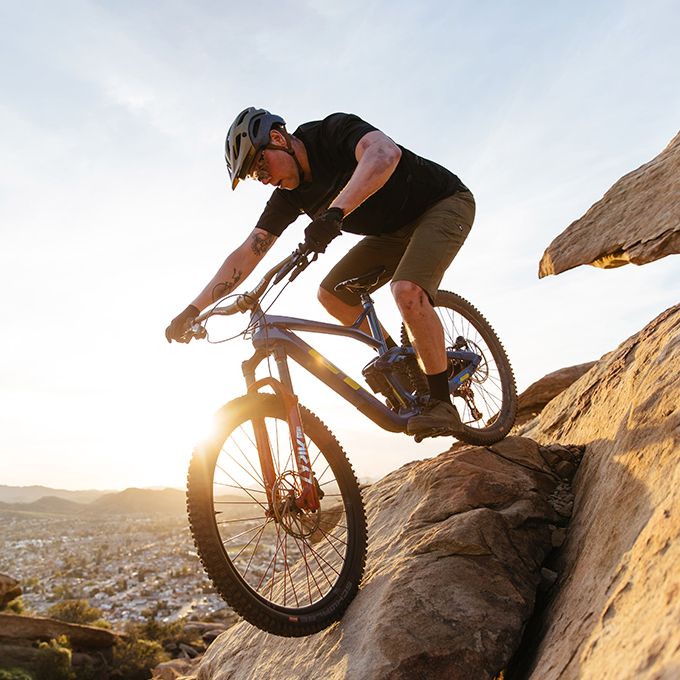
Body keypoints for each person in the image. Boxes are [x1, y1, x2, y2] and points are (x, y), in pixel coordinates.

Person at [166, 107, 475, 438]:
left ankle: (442, 403)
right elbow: (247, 252)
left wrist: (334, 213)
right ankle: (404, 363)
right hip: (393, 233)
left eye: (260, 166)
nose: (264, 179)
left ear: (277, 138)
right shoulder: (288, 196)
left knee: (406, 291)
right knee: (331, 293)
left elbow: (384, 154)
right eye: (257, 177)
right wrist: (193, 309)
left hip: (442, 204)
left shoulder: (330, 133)